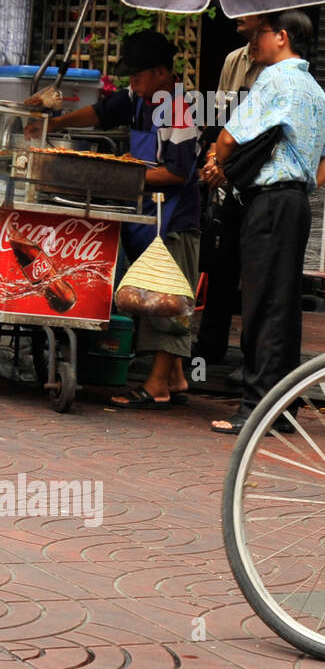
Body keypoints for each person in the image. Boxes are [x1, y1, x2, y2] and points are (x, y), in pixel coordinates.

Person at [27, 30, 200, 407]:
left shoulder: (179, 108)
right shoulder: (139, 98)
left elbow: (178, 172)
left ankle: (157, 386)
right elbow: (102, 112)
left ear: (160, 72)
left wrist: (120, 174)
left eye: (137, 74)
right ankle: (175, 377)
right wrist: (50, 125)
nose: (131, 82)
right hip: (146, 214)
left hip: (173, 218)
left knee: (166, 299)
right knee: (145, 295)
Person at [201, 10, 325, 434]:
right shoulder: (315, 90)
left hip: (270, 203)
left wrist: (215, 162)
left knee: (261, 307)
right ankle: (280, 409)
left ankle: (254, 410)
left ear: (281, 37)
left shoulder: (276, 79)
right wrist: (299, 189)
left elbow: (229, 137)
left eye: (260, 35)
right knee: (282, 307)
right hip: (292, 204)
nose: (253, 43)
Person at [194, 14, 265, 366]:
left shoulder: (279, 70)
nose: (237, 14)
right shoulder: (233, 61)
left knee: (256, 274)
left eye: (246, 9)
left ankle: (253, 360)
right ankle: (209, 351)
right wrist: (213, 159)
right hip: (228, 173)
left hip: (259, 179)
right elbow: (221, 119)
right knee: (221, 264)